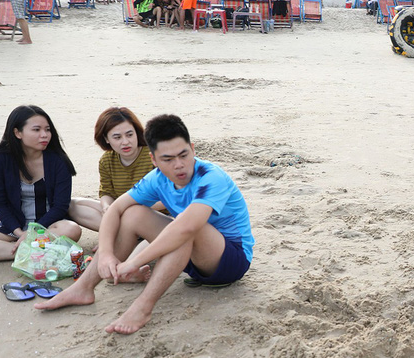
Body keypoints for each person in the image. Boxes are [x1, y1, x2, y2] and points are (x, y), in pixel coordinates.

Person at [37, 114, 254, 335]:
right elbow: (116, 209)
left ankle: (143, 307)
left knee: (184, 226)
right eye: (168, 159)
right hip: (190, 259)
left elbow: (187, 227)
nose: (179, 165)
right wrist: (108, 253)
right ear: (154, 160)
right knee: (132, 214)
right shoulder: (157, 178)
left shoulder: (210, 177)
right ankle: (83, 288)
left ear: (193, 149)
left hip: (231, 260)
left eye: (183, 155)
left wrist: (135, 262)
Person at [0, 106, 82, 261]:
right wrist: (20, 233)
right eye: (36, 130)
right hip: (14, 228)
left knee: (72, 229)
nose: (44, 135)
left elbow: (61, 206)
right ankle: (32, 251)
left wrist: (33, 232)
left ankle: (26, 250)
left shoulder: (57, 160)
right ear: (17, 133)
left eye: (47, 129)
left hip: (48, 227)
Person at [69, 108, 155, 231]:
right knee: (73, 205)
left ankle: (116, 235)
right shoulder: (106, 160)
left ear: (137, 133)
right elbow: (106, 192)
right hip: (119, 213)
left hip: (150, 214)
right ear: (106, 139)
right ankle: (119, 234)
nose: (125, 142)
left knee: (134, 216)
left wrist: (124, 208)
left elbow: (165, 198)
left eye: (129, 135)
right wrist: (107, 207)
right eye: (117, 137)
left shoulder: (153, 155)